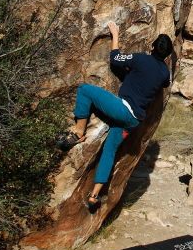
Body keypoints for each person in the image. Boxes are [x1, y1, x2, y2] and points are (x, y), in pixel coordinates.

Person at [56, 21, 173, 211]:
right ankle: (94, 196)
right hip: (133, 122)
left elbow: (115, 58)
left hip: (122, 110)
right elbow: (165, 83)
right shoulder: (164, 73)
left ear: (152, 46)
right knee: (109, 151)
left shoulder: (141, 59)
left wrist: (115, 35)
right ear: (166, 55)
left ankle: (78, 133)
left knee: (84, 90)